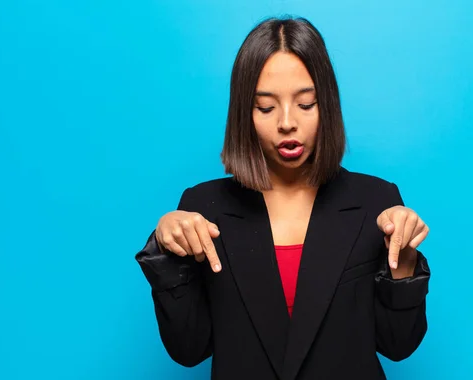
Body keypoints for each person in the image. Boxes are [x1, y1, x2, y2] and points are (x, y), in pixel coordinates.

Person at [135, 16, 431, 380]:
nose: (287, 122)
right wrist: (167, 250)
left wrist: (403, 264)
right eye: (266, 107)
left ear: (328, 106)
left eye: (306, 104)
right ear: (244, 113)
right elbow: (188, 349)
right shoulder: (203, 208)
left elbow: (398, 346)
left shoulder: (377, 201)